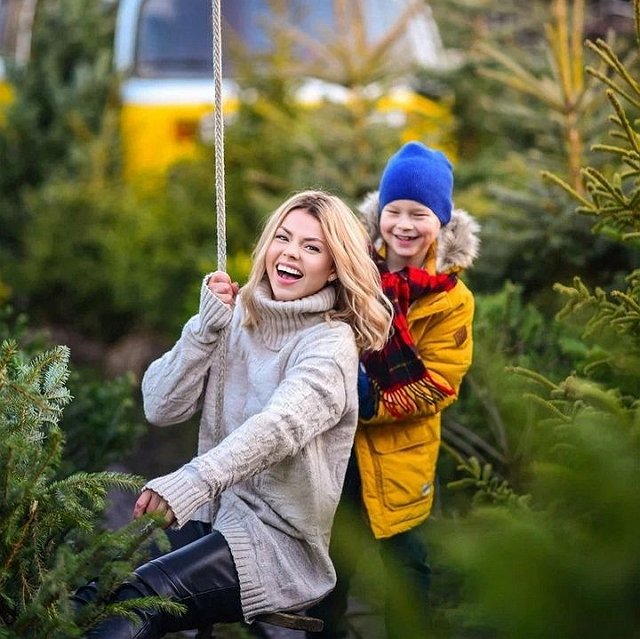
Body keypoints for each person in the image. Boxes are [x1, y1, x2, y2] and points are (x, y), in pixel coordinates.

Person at [73, 190, 393, 638]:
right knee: (93, 590)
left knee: (138, 600)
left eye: (312, 247)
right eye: (284, 237)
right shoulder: (239, 314)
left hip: (274, 543)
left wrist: (191, 481)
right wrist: (203, 329)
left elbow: (278, 426)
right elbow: (160, 406)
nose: (291, 253)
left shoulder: (329, 346)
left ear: (335, 266)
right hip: (211, 520)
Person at [308, 142, 480, 639]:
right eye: (394, 211)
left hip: (401, 455)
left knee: (406, 565)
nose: (404, 224)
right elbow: (298, 300)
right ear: (380, 213)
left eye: (419, 213)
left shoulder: (450, 299)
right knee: (332, 567)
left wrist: (372, 400)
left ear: (441, 222)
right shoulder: (356, 269)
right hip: (339, 451)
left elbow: (440, 382)